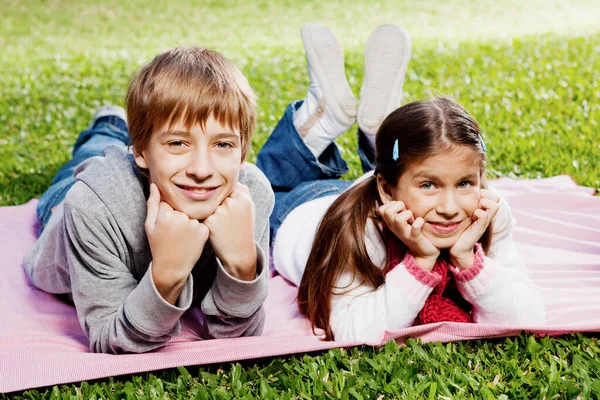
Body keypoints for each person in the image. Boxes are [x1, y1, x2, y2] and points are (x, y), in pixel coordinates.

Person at [258, 23, 545, 343]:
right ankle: (322, 115)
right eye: (429, 186)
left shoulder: (488, 211)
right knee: (270, 182)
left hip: (384, 192)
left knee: (407, 168)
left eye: (465, 183)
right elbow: (353, 331)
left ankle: (381, 135)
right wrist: (421, 262)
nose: (450, 209)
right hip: (303, 209)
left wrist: (468, 259)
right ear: (385, 189)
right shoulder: (358, 230)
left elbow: (527, 317)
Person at [23, 46, 274, 354]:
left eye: (222, 144)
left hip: (147, 170)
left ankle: (121, 130)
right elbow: (110, 339)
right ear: (140, 150)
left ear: (243, 152)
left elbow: (238, 337)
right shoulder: (91, 204)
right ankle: (107, 125)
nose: (201, 170)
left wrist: (243, 265)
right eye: (178, 142)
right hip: (64, 206)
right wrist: (167, 273)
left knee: (111, 148)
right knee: (91, 153)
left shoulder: (251, 193)